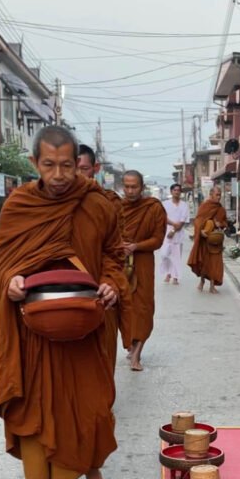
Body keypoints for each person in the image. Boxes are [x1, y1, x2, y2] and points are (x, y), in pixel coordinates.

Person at [0, 125, 128, 479]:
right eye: (49, 165)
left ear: (79, 165)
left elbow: (114, 256)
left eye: (67, 165)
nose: (60, 174)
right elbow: (0, 262)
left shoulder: (98, 205)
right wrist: (10, 281)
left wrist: (111, 284)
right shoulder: (19, 205)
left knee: (91, 405)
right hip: (35, 329)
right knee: (40, 412)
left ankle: (92, 468)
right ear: (35, 164)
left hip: (86, 324)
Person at [76, 144, 132, 371]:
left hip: (101, 284)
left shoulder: (108, 202)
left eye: (84, 169)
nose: (78, 175)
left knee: (102, 352)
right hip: (65, 289)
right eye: (73, 168)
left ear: (95, 168)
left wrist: (110, 280)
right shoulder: (51, 203)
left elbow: (115, 249)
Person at [120, 170, 166, 372]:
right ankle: (131, 344)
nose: (130, 191)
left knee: (144, 307)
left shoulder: (153, 208)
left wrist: (136, 246)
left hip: (144, 261)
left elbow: (158, 240)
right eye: (127, 187)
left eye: (134, 187)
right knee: (124, 307)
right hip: (120, 262)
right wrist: (119, 245)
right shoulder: (116, 208)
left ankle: (137, 353)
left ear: (142, 187)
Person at [187, 185, 227, 294]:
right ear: (211, 195)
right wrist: (200, 231)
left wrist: (220, 224)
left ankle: (212, 285)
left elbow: (224, 222)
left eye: (220, 195)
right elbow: (198, 221)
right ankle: (202, 281)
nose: (219, 197)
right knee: (204, 262)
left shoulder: (221, 209)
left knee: (215, 264)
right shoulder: (204, 206)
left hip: (216, 241)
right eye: (217, 195)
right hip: (205, 240)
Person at [160, 183, 189, 285]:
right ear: (171, 192)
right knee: (165, 254)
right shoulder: (165, 204)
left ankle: (175, 276)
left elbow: (183, 220)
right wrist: (172, 225)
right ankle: (168, 272)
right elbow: (163, 217)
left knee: (176, 255)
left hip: (178, 234)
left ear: (180, 192)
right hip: (167, 232)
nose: (177, 192)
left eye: (178, 190)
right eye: (175, 190)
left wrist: (174, 230)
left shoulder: (184, 205)